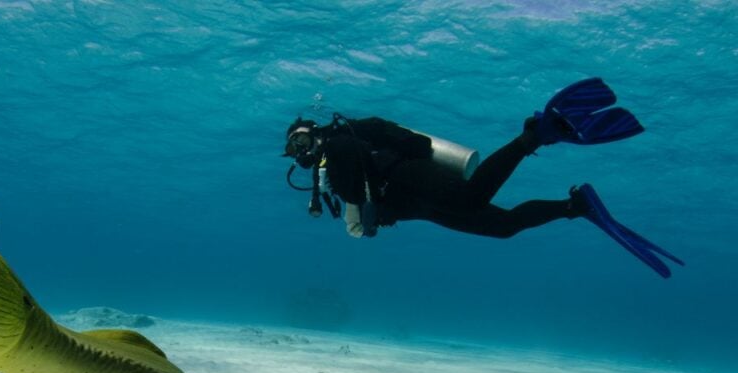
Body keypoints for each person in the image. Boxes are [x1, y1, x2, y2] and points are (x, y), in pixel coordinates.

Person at [282, 78, 684, 278]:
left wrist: (374, 189)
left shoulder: (339, 144)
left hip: (410, 180)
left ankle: (534, 135)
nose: (300, 152)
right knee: (502, 227)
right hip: (415, 203)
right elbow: (372, 193)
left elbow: (402, 153)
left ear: (312, 133)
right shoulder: (332, 161)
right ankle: (575, 205)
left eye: (300, 141)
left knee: (472, 198)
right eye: (295, 148)